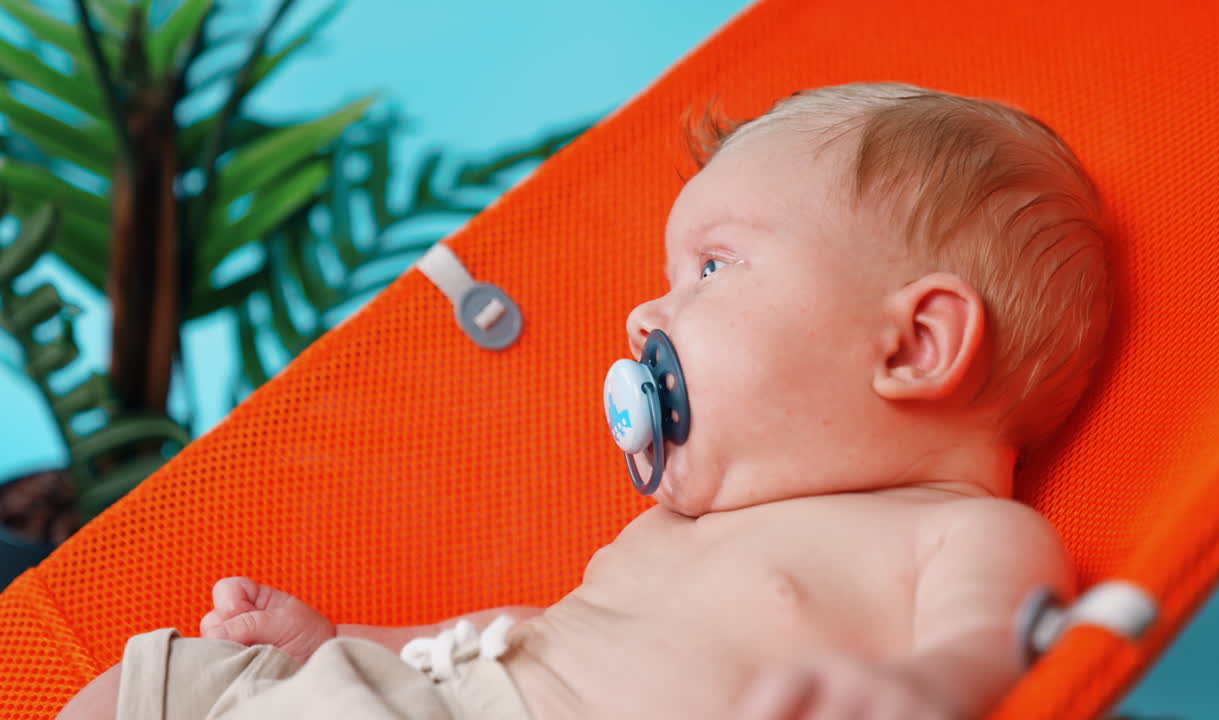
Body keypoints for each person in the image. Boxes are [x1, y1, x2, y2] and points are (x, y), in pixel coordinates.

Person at [59, 81, 1111, 720]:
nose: (642, 315)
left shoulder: (962, 536)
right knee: (145, 689)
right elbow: (526, 640)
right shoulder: (682, 528)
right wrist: (349, 638)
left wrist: (925, 694)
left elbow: (998, 642)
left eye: (710, 269)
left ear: (915, 345)